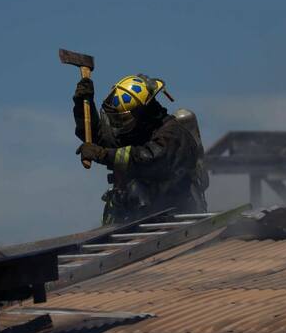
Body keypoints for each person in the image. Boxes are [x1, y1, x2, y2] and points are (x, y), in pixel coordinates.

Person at [73, 74, 207, 223]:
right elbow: (98, 138)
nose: (119, 124)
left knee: (135, 188)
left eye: (122, 119)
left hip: (177, 216)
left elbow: (146, 159)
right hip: (143, 220)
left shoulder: (172, 135)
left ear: (140, 113)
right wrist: (83, 103)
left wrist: (103, 155)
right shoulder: (140, 132)